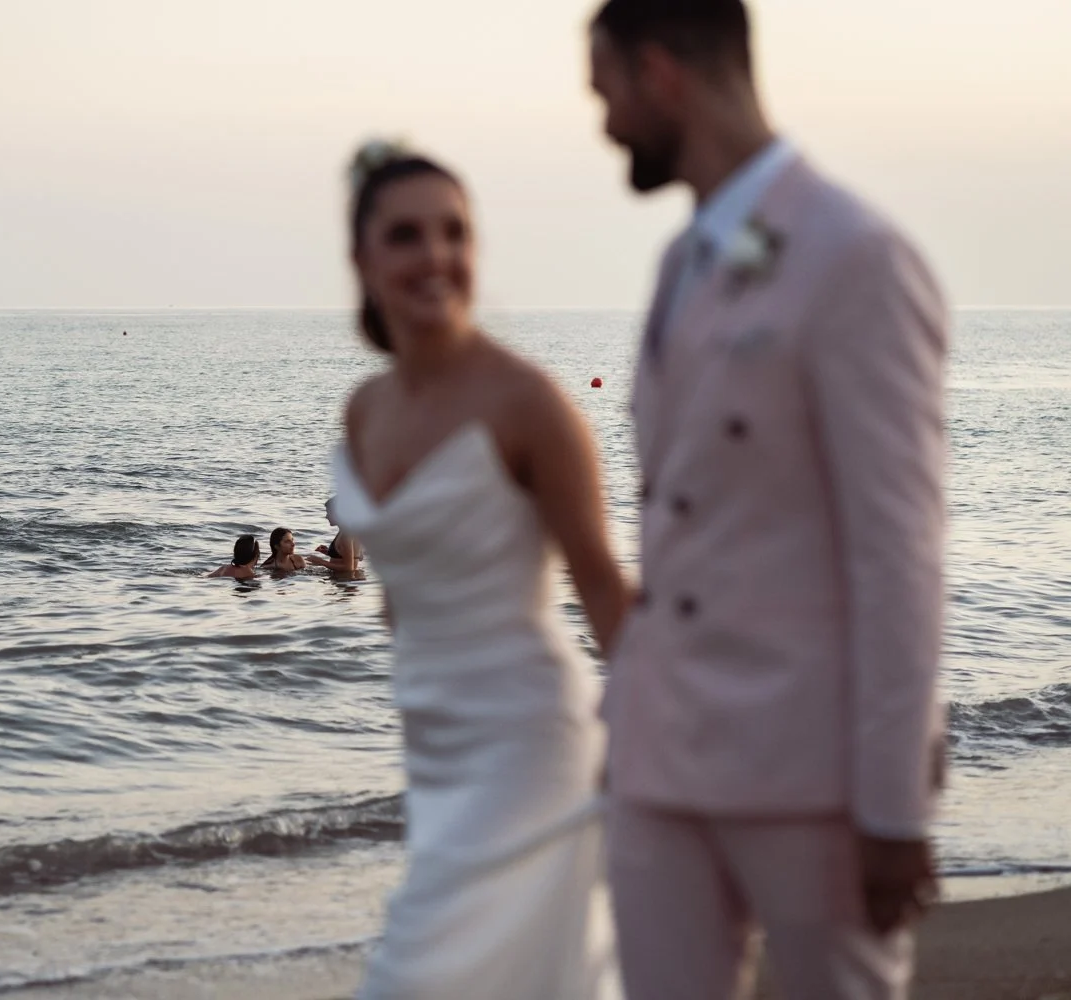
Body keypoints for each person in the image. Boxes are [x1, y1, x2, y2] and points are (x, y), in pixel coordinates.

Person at [586, 2, 948, 997]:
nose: (603, 123)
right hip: (661, 762)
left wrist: (890, 806)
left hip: (810, 775)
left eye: (604, 89)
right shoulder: (679, 263)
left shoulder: (855, 256)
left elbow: (898, 553)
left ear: (661, 73)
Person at [332, 140, 629, 998]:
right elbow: (401, 601)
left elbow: (605, 590)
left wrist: (690, 758)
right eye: (407, 234)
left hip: (531, 746)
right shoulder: (366, 410)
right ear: (362, 257)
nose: (436, 256)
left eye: (455, 233)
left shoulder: (527, 403)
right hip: (434, 751)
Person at [306, 497, 362, 573]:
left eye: (329, 513)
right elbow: (359, 557)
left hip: (344, 581)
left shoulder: (346, 535)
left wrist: (321, 562)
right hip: (346, 581)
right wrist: (331, 552)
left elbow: (349, 569)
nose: (326, 516)